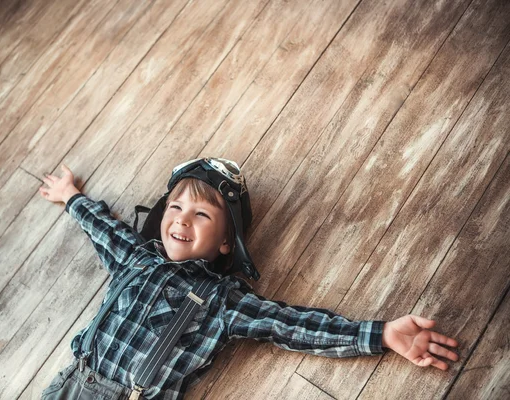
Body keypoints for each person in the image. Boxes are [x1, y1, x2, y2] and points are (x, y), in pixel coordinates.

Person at [38, 158, 459, 400]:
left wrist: (380, 333)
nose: (182, 219)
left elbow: (291, 325)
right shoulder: (136, 257)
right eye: (174, 208)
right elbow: (104, 229)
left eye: (201, 214)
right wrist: (71, 196)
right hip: (70, 381)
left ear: (227, 243)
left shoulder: (223, 301)